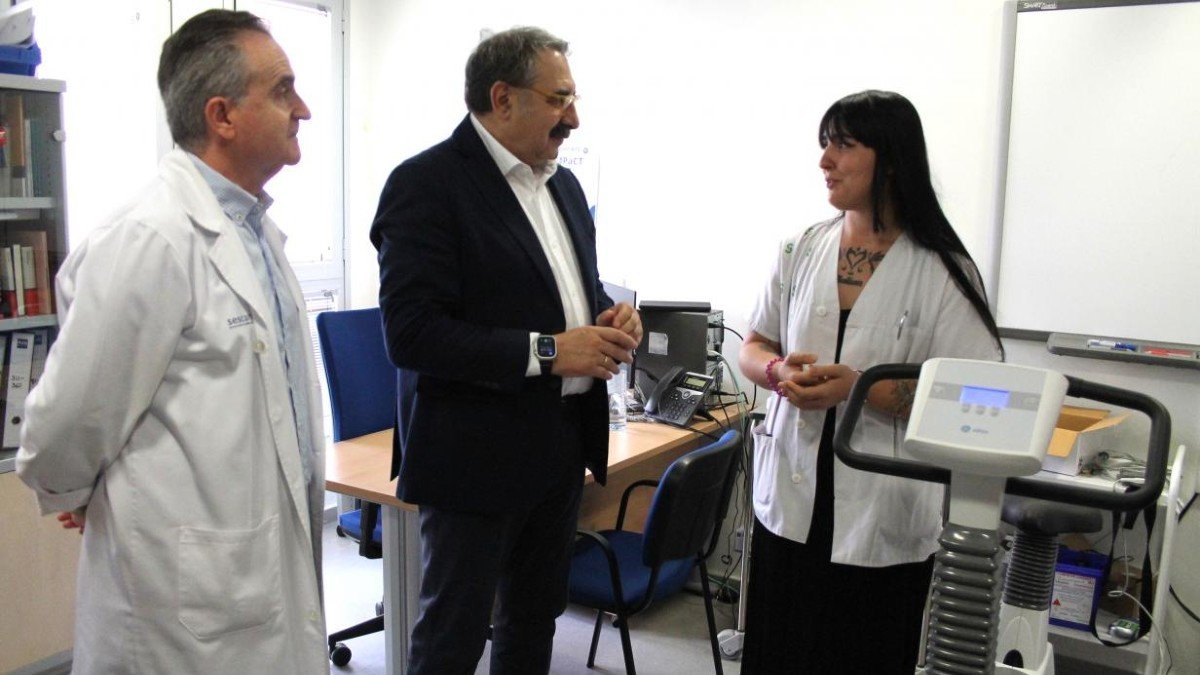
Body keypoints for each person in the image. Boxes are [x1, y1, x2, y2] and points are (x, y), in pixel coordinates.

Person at [16, 10, 329, 674]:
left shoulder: (255, 235)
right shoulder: (152, 239)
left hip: (253, 585)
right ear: (222, 115)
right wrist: (83, 490)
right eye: (282, 91)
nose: (302, 108)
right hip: (184, 617)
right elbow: (60, 431)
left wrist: (94, 483)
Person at [370, 26, 641, 675]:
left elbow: (575, 288)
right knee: (454, 634)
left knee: (532, 619)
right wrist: (553, 351)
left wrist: (612, 315)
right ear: (502, 98)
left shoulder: (563, 188)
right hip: (472, 453)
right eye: (559, 99)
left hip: (557, 448)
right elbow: (412, 334)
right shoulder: (426, 185)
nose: (573, 118)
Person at [737, 90, 1004, 673]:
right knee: (778, 651)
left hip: (885, 505)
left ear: (891, 158)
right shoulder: (801, 248)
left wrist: (857, 389)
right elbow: (753, 348)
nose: (825, 160)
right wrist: (779, 373)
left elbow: (974, 399)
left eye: (843, 144)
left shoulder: (943, 270)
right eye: (824, 145)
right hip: (792, 491)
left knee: (862, 652)